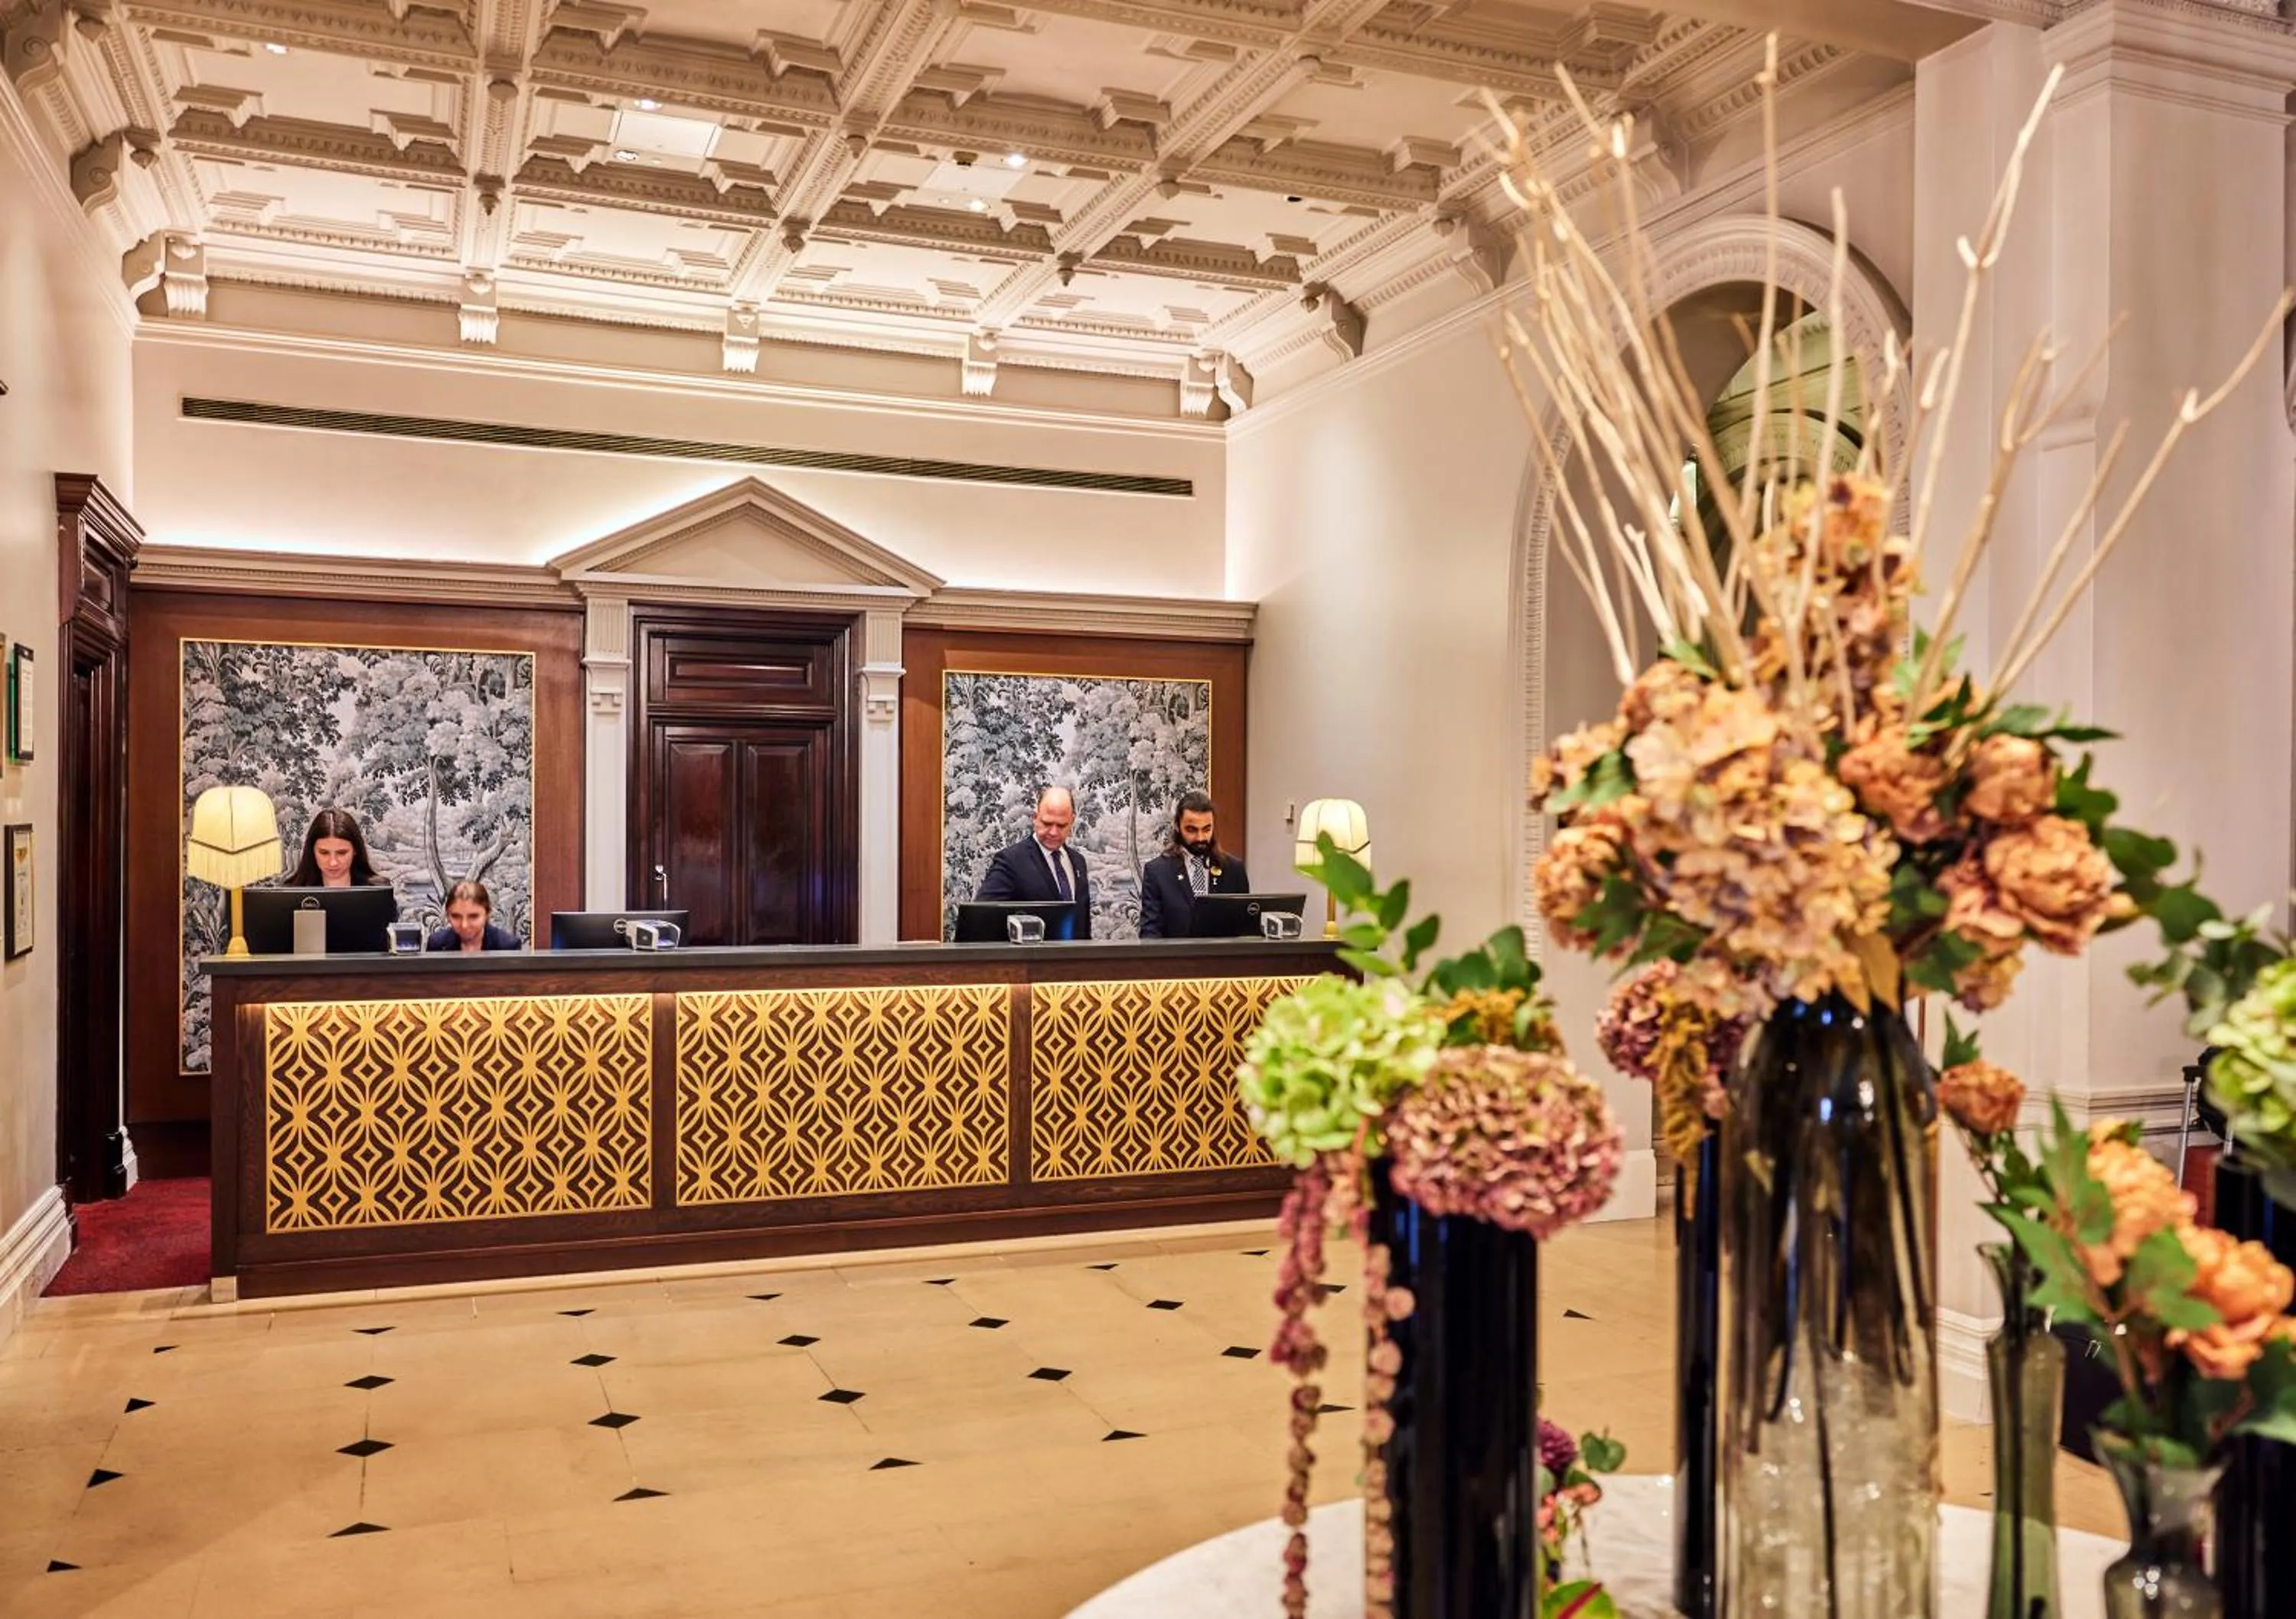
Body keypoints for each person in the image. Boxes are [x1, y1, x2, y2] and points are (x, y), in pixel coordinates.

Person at [975, 786, 1093, 940]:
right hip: (1029, 961)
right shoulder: (1011, 861)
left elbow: (1082, 923)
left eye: (1061, 825)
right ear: (1035, 817)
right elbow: (981, 918)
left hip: (1076, 961)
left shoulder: (1078, 861)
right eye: (1047, 823)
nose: (1053, 832)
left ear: (1072, 821)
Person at [1139, 790, 1251, 939]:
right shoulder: (1157, 872)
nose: (1200, 838)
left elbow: (1246, 929)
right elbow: (1150, 934)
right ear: (1178, 826)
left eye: (1207, 829)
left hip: (1222, 960)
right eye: (1192, 830)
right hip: (1175, 959)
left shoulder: (1233, 870)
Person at [287, 808, 398, 917]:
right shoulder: (290, 894)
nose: (333, 863)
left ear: (355, 850)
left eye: (342, 853)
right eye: (324, 853)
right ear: (312, 851)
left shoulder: (378, 892)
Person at [425, 880, 521, 953]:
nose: (464, 925)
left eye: (473, 917)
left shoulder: (507, 945)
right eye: (456, 916)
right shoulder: (437, 943)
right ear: (447, 915)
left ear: (487, 915)